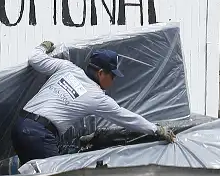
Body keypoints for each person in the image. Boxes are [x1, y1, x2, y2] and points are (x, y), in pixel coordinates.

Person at [13, 45, 174, 161]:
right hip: (39, 135)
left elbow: (35, 58)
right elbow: (126, 118)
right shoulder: (96, 96)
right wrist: (156, 130)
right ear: (101, 73)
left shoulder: (67, 68)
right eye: (113, 75)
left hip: (20, 125)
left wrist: (43, 46)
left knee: (31, 173)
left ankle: (14, 171)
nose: (114, 80)